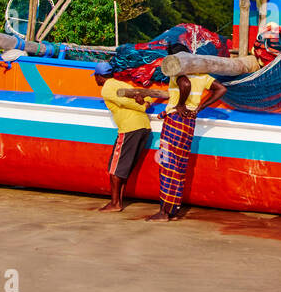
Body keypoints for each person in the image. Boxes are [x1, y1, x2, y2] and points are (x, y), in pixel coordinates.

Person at [147, 44, 228, 222]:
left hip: (175, 121)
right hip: (189, 122)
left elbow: (185, 83)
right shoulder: (201, 75)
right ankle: (173, 210)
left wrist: (181, 104)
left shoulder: (177, 71)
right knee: (180, 165)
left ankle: (164, 212)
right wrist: (199, 107)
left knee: (167, 164)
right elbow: (221, 89)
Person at [93, 62, 165, 212]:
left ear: (100, 77)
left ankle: (115, 203)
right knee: (123, 169)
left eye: (96, 77)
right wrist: (145, 102)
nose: (95, 80)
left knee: (115, 168)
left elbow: (124, 102)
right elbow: (145, 96)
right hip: (143, 127)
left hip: (129, 128)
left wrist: (142, 105)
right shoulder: (120, 83)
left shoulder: (106, 89)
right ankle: (118, 200)